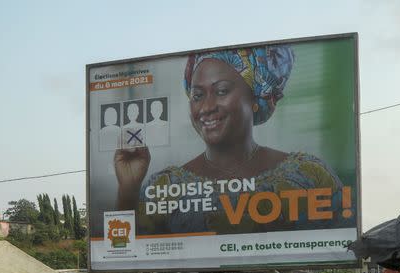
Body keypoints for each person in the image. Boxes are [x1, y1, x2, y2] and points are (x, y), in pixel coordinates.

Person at [113, 45, 345, 235]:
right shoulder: (164, 188)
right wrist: (128, 189)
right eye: (197, 95)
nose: (206, 107)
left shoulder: (310, 176)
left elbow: (342, 248)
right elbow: (125, 250)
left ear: (255, 97)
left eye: (222, 91)